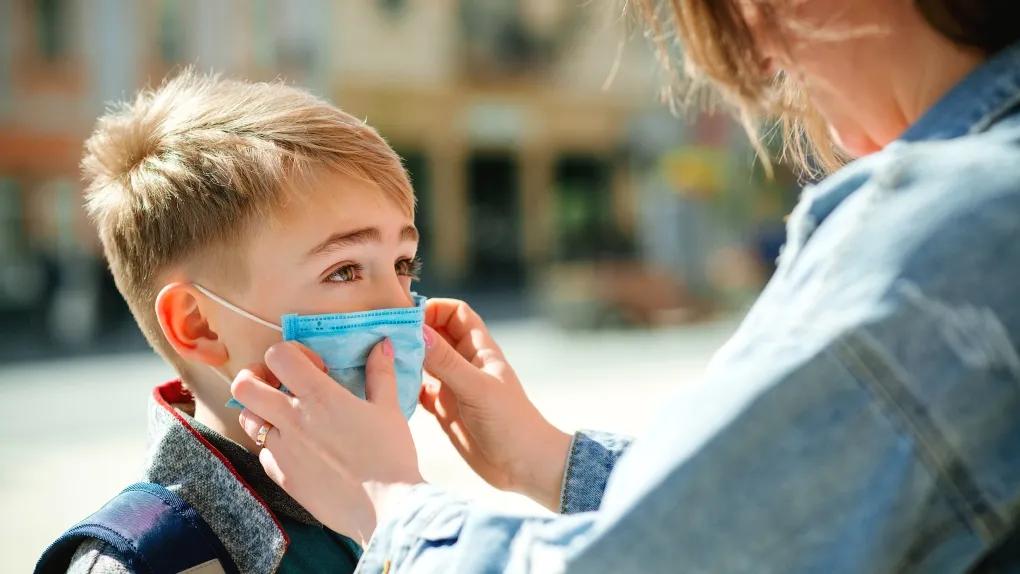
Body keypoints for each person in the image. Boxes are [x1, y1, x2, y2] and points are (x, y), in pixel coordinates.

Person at [231, 1, 1020, 572]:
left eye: (403, 265)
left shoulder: (946, 227)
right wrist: (547, 460)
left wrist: (387, 502)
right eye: (343, 269)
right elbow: (770, 518)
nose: (761, 55)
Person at [41, 70, 428, 573]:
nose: (400, 304)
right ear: (198, 324)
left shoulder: (354, 497)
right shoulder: (148, 561)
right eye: (344, 270)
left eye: (403, 264)